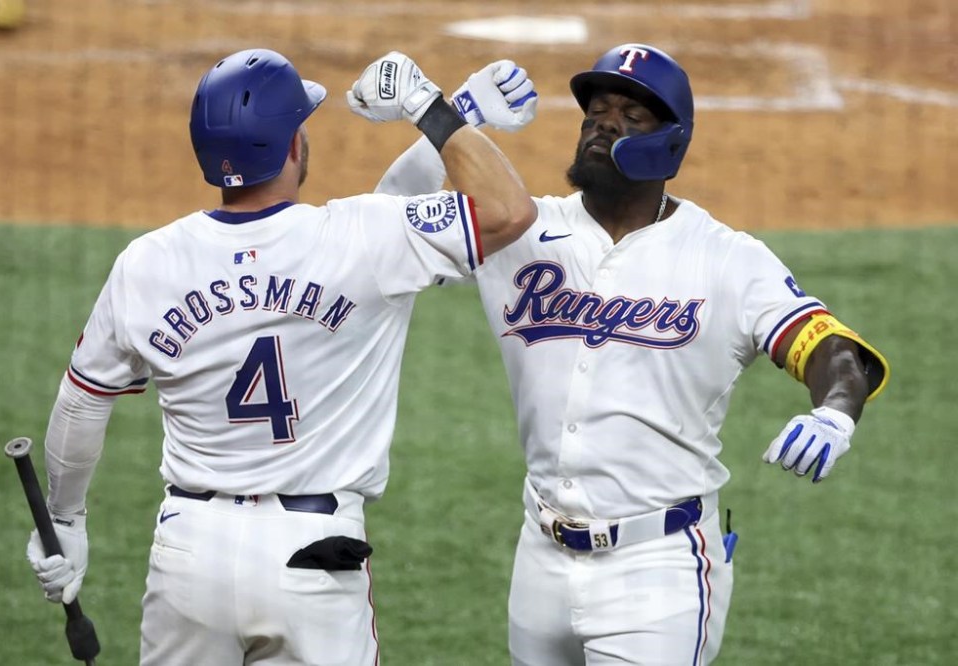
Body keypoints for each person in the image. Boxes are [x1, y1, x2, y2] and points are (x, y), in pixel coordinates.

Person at [375, 43, 890, 665]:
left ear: (670, 142)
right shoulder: (518, 230)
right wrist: (457, 117)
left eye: (629, 114)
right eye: (595, 111)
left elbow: (831, 349)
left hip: (658, 572)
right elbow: (387, 222)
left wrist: (834, 413)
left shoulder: (726, 258)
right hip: (539, 559)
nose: (603, 123)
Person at [24, 48, 538, 665]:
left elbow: (81, 404)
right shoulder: (360, 241)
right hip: (311, 560)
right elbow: (505, 210)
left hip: (189, 557)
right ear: (294, 145)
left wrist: (66, 519)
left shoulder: (147, 262)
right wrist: (439, 109)